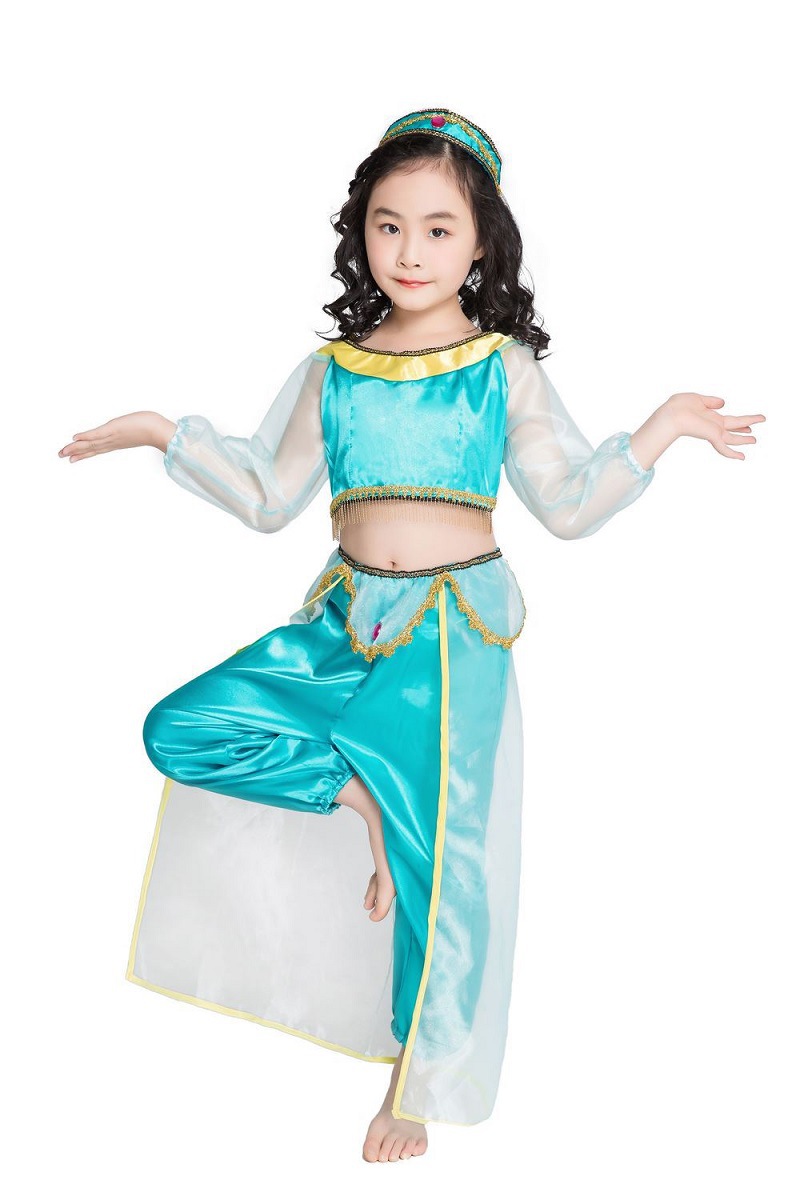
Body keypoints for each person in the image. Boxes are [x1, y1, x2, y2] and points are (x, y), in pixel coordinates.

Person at [57, 108, 765, 1164]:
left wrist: (656, 431)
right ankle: (359, 801)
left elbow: (568, 505)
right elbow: (268, 497)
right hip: (342, 622)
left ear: (481, 242)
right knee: (181, 727)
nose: (411, 251)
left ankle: (414, 1083)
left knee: (448, 866)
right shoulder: (336, 369)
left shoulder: (499, 366)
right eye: (389, 226)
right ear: (362, 233)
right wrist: (167, 434)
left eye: (439, 229)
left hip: (448, 639)